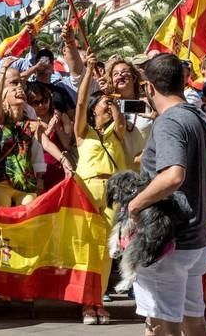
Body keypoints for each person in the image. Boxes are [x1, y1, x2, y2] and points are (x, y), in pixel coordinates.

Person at [127, 53, 206, 336]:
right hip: (194, 240)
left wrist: (134, 205)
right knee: (193, 320)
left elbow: (173, 175)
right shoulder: (203, 120)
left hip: (169, 242)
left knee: (159, 325)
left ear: (149, 87)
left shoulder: (170, 122)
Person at [74, 50, 127, 325]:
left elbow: (120, 121)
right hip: (87, 190)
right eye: (103, 104)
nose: (106, 107)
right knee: (87, 249)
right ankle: (87, 303)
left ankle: (99, 300)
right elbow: (81, 103)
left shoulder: (117, 131)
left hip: (112, 193)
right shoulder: (83, 133)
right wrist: (88, 71)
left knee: (107, 250)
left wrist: (113, 98)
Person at [0, 71, 46, 209]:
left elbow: (42, 146)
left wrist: (61, 160)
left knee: (28, 223)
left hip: (26, 182)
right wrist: (3, 70)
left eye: (21, 88)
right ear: (4, 98)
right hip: (0, 182)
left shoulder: (30, 119)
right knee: (2, 225)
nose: (19, 89)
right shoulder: (0, 119)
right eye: (14, 88)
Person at [105, 57, 151, 168]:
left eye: (124, 72)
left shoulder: (148, 104)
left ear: (134, 78)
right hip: (121, 174)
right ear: (111, 81)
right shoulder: (107, 106)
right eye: (115, 74)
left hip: (148, 170)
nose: (120, 75)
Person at [26, 82, 74, 190]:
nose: (41, 105)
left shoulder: (62, 117)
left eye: (44, 100)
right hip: (41, 171)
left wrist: (57, 127)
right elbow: (42, 144)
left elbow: (67, 145)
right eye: (36, 102)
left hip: (62, 167)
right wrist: (49, 128)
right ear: (29, 104)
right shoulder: (30, 123)